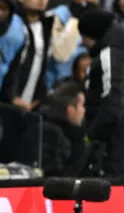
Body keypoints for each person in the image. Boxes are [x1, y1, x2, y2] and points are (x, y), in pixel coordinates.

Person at [78, 10, 124, 176]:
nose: (82, 42)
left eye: (83, 36)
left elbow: (113, 103)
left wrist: (91, 135)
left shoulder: (111, 53)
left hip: (115, 151)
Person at [41, 82, 87, 177]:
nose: (84, 110)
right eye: (82, 105)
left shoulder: (45, 125)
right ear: (70, 110)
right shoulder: (54, 136)